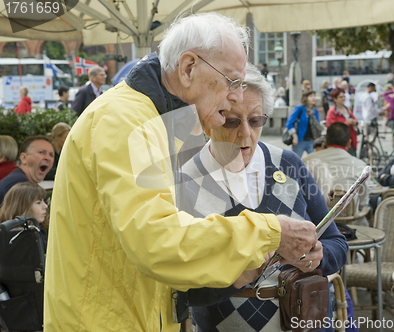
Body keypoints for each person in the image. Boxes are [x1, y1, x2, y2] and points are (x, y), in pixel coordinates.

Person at [44, 13, 318, 332]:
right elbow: (159, 243)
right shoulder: (125, 121)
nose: (237, 96)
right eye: (232, 81)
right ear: (188, 68)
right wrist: (272, 231)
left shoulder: (163, 123)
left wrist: (230, 271)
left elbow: (167, 253)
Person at [179, 64, 350, 332]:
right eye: (232, 121)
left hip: (303, 321)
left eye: (256, 120)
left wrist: (319, 256)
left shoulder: (289, 163)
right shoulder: (187, 180)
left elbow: (336, 243)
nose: (246, 133)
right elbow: (179, 289)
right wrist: (234, 277)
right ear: (207, 120)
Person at [303, 122, 369, 226]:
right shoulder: (361, 166)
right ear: (349, 143)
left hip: (314, 223)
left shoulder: (307, 160)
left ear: (325, 142)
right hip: (350, 224)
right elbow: (363, 203)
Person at [0, 135, 54, 204]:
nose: (48, 158)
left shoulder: (20, 180)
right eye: (41, 152)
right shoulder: (19, 186)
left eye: (51, 155)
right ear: (24, 158)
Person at [0, 182, 49, 247]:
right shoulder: (18, 238)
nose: (45, 206)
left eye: (44, 201)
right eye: (38, 202)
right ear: (23, 207)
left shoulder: (36, 230)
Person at [286, 90, 322, 158]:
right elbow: (289, 123)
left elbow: (317, 125)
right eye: (311, 96)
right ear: (306, 98)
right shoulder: (300, 108)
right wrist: (294, 136)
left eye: (314, 96)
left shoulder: (315, 111)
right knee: (296, 162)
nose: (313, 98)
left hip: (312, 141)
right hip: (300, 140)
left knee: (315, 162)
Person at [325, 88, 358, 156]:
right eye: (341, 97)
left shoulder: (347, 109)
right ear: (335, 99)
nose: (343, 98)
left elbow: (355, 120)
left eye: (344, 96)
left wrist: (354, 122)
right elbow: (331, 128)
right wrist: (346, 123)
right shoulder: (332, 112)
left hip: (349, 139)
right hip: (338, 142)